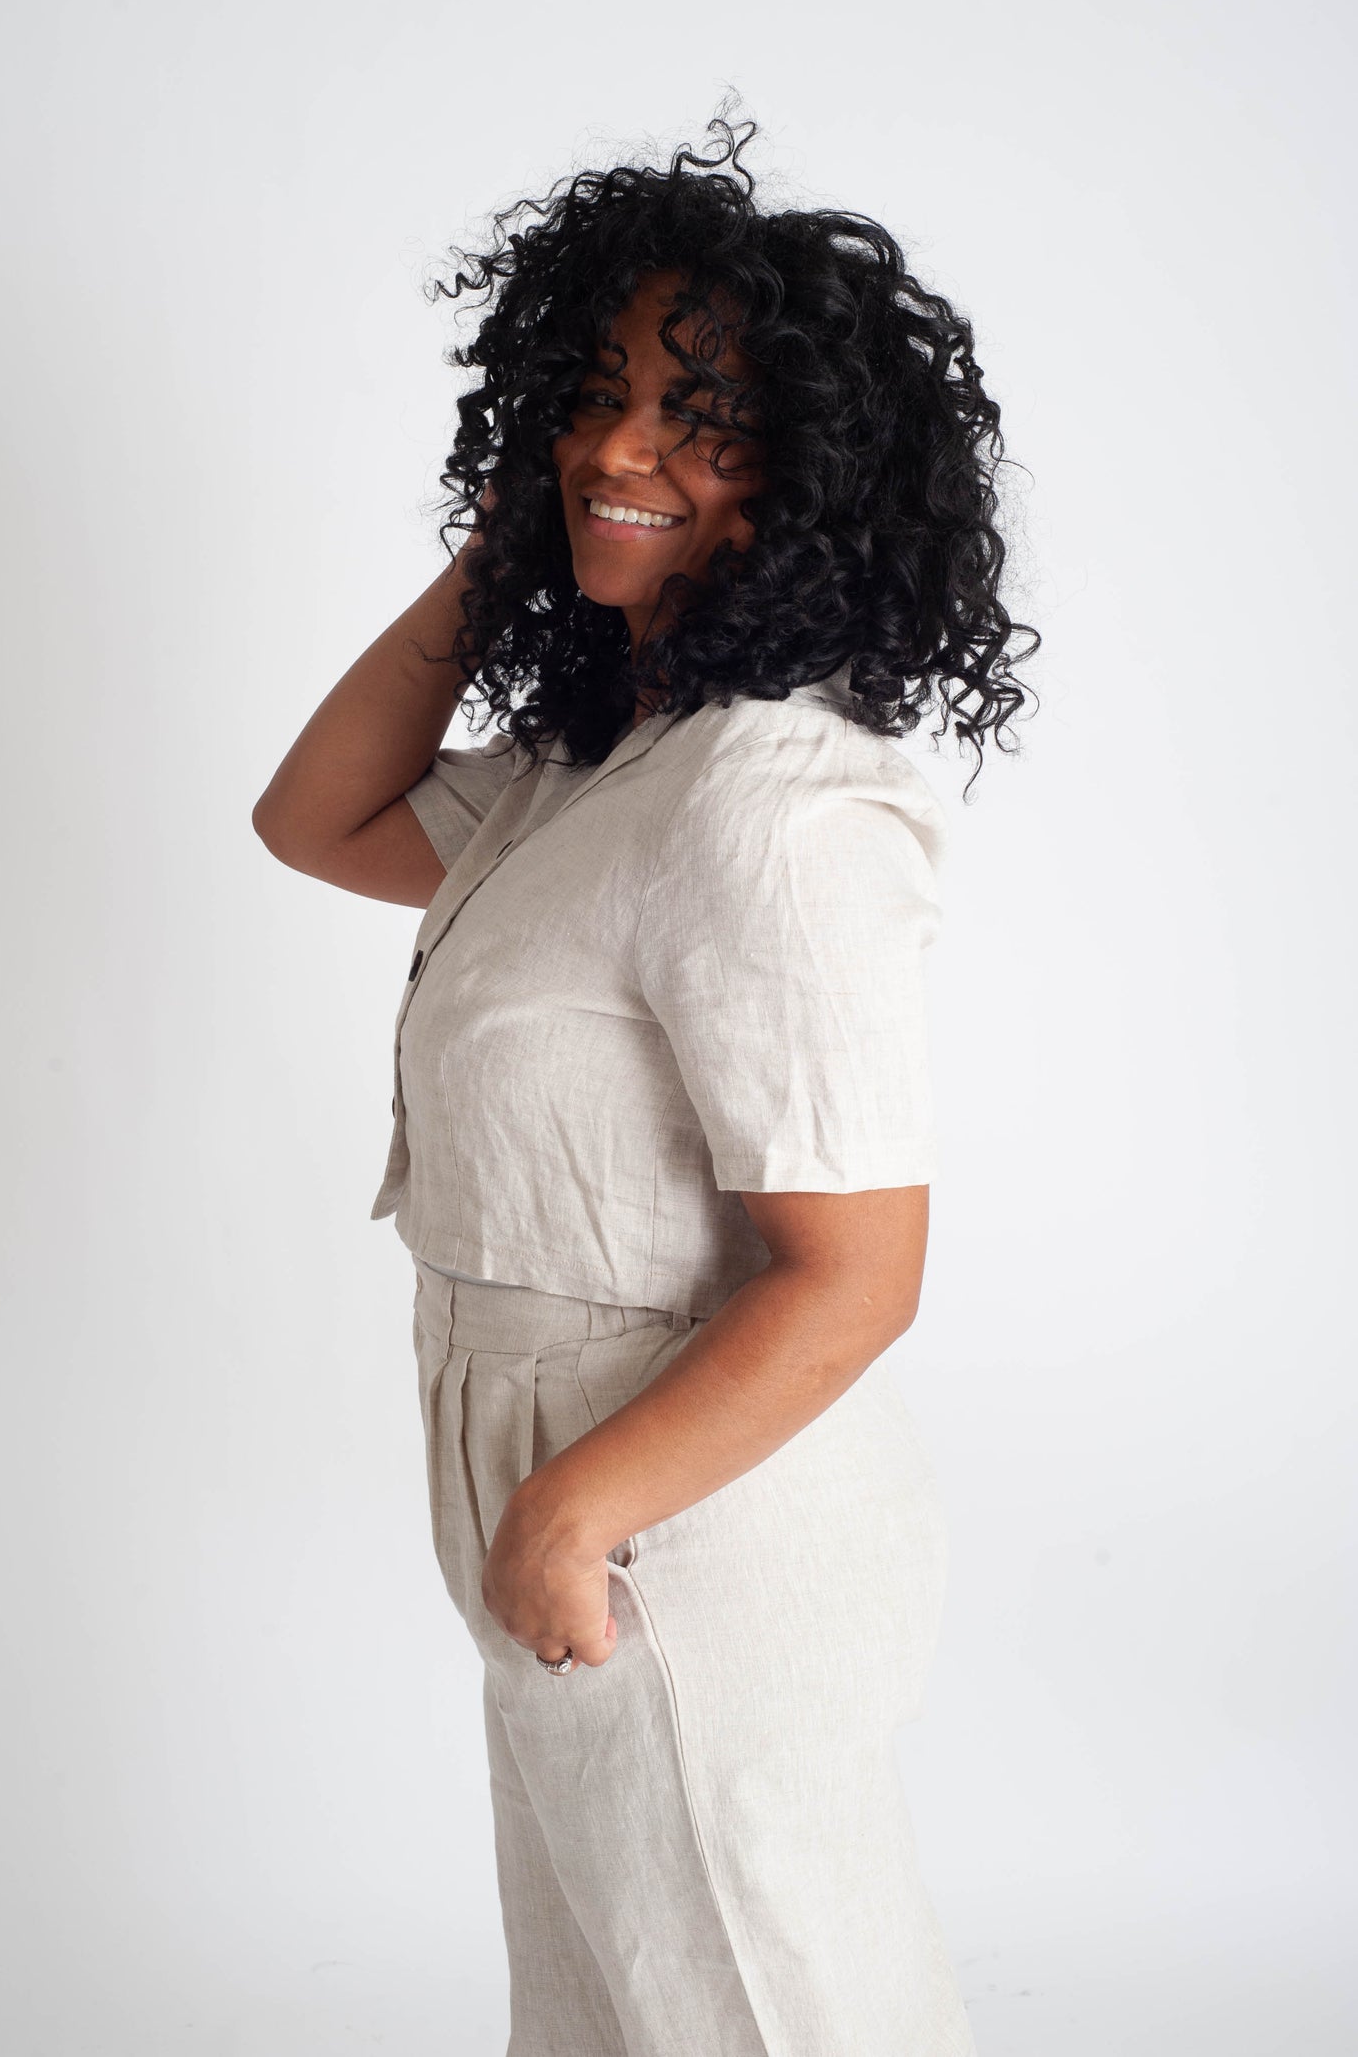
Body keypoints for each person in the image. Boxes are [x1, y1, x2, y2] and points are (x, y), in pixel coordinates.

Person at [252, 109, 1039, 2057]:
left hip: (685, 1517)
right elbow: (315, 814)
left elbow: (853, 1271)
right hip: (563, 1487)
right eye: (598, 398)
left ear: (817, 482)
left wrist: (576, 1512)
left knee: (773, 2014)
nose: (624, 448)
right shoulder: (604, 769)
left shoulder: (773, 803)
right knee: (607, 2018)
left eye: (703, 419)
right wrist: (532, 531)